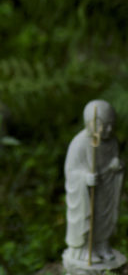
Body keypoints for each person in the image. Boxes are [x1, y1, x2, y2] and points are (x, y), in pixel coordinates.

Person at [62, 99, 124, 274]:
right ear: (91, 123)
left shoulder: (112, 143)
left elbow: (113, 162)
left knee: (104, 216)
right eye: (105, 125)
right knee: (89, 216)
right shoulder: (79, 144)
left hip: (105, 189)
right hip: (87, 193)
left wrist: (116, 167)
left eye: (112, 125)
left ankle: (102, 244)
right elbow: (70, 171)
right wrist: (83, 178)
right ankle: (84, 250)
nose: (110, 130)